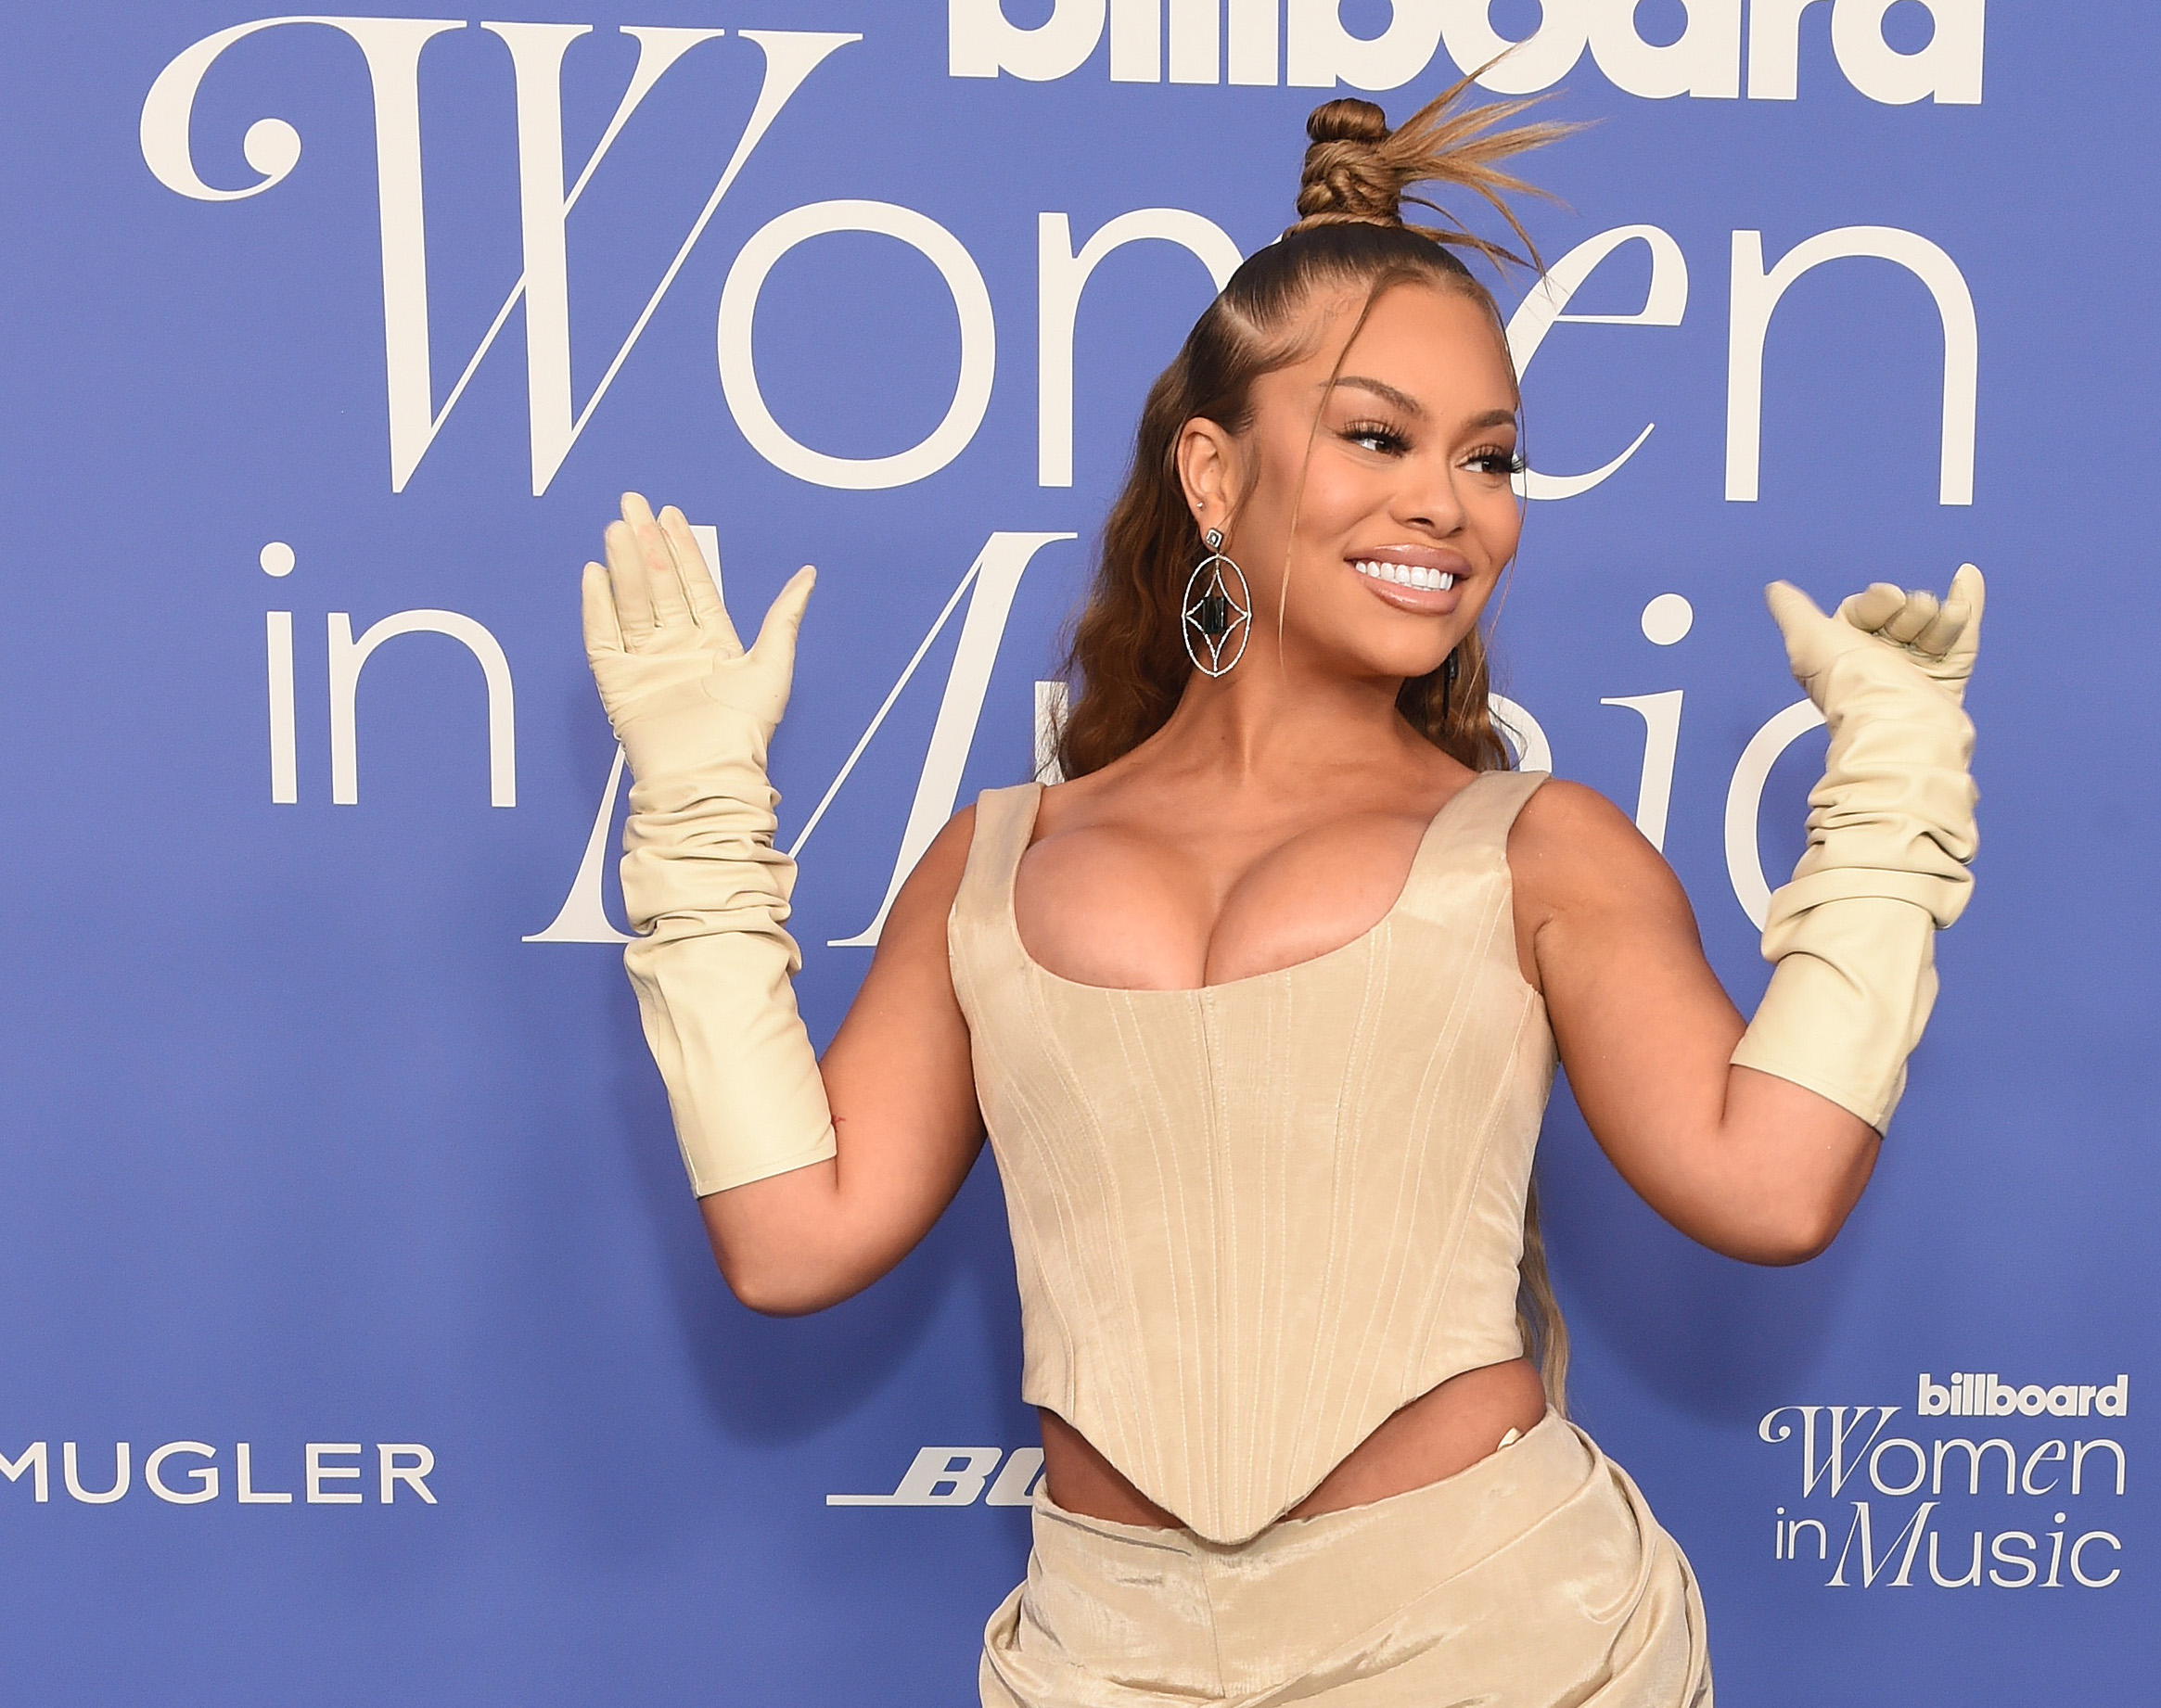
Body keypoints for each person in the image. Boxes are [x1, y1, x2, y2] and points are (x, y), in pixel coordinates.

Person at [580, 83, 1980, 1708]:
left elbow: (1774, 1187)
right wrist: (693, 803)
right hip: (1109, 1656)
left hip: (1500, 1646)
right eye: (1377, 436)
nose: (1447, 503)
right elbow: (789, 1237)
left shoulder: (1541, 846)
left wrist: (1891, 795)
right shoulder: (990, 862)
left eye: (1490, 457)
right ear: (1212, 469)